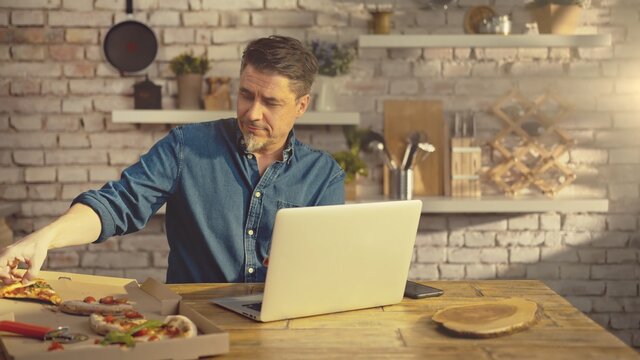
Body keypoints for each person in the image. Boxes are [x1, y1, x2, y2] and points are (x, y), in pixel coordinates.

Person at [0, 36, 345, 285]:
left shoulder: (323, 175)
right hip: (191, 322)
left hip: (282, 328)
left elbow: (328, 267)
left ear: (302, 105)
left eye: (270, 102)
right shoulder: (187, 146)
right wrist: (43, 238)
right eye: (245, 94)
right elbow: (117, 203)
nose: (252, 112)